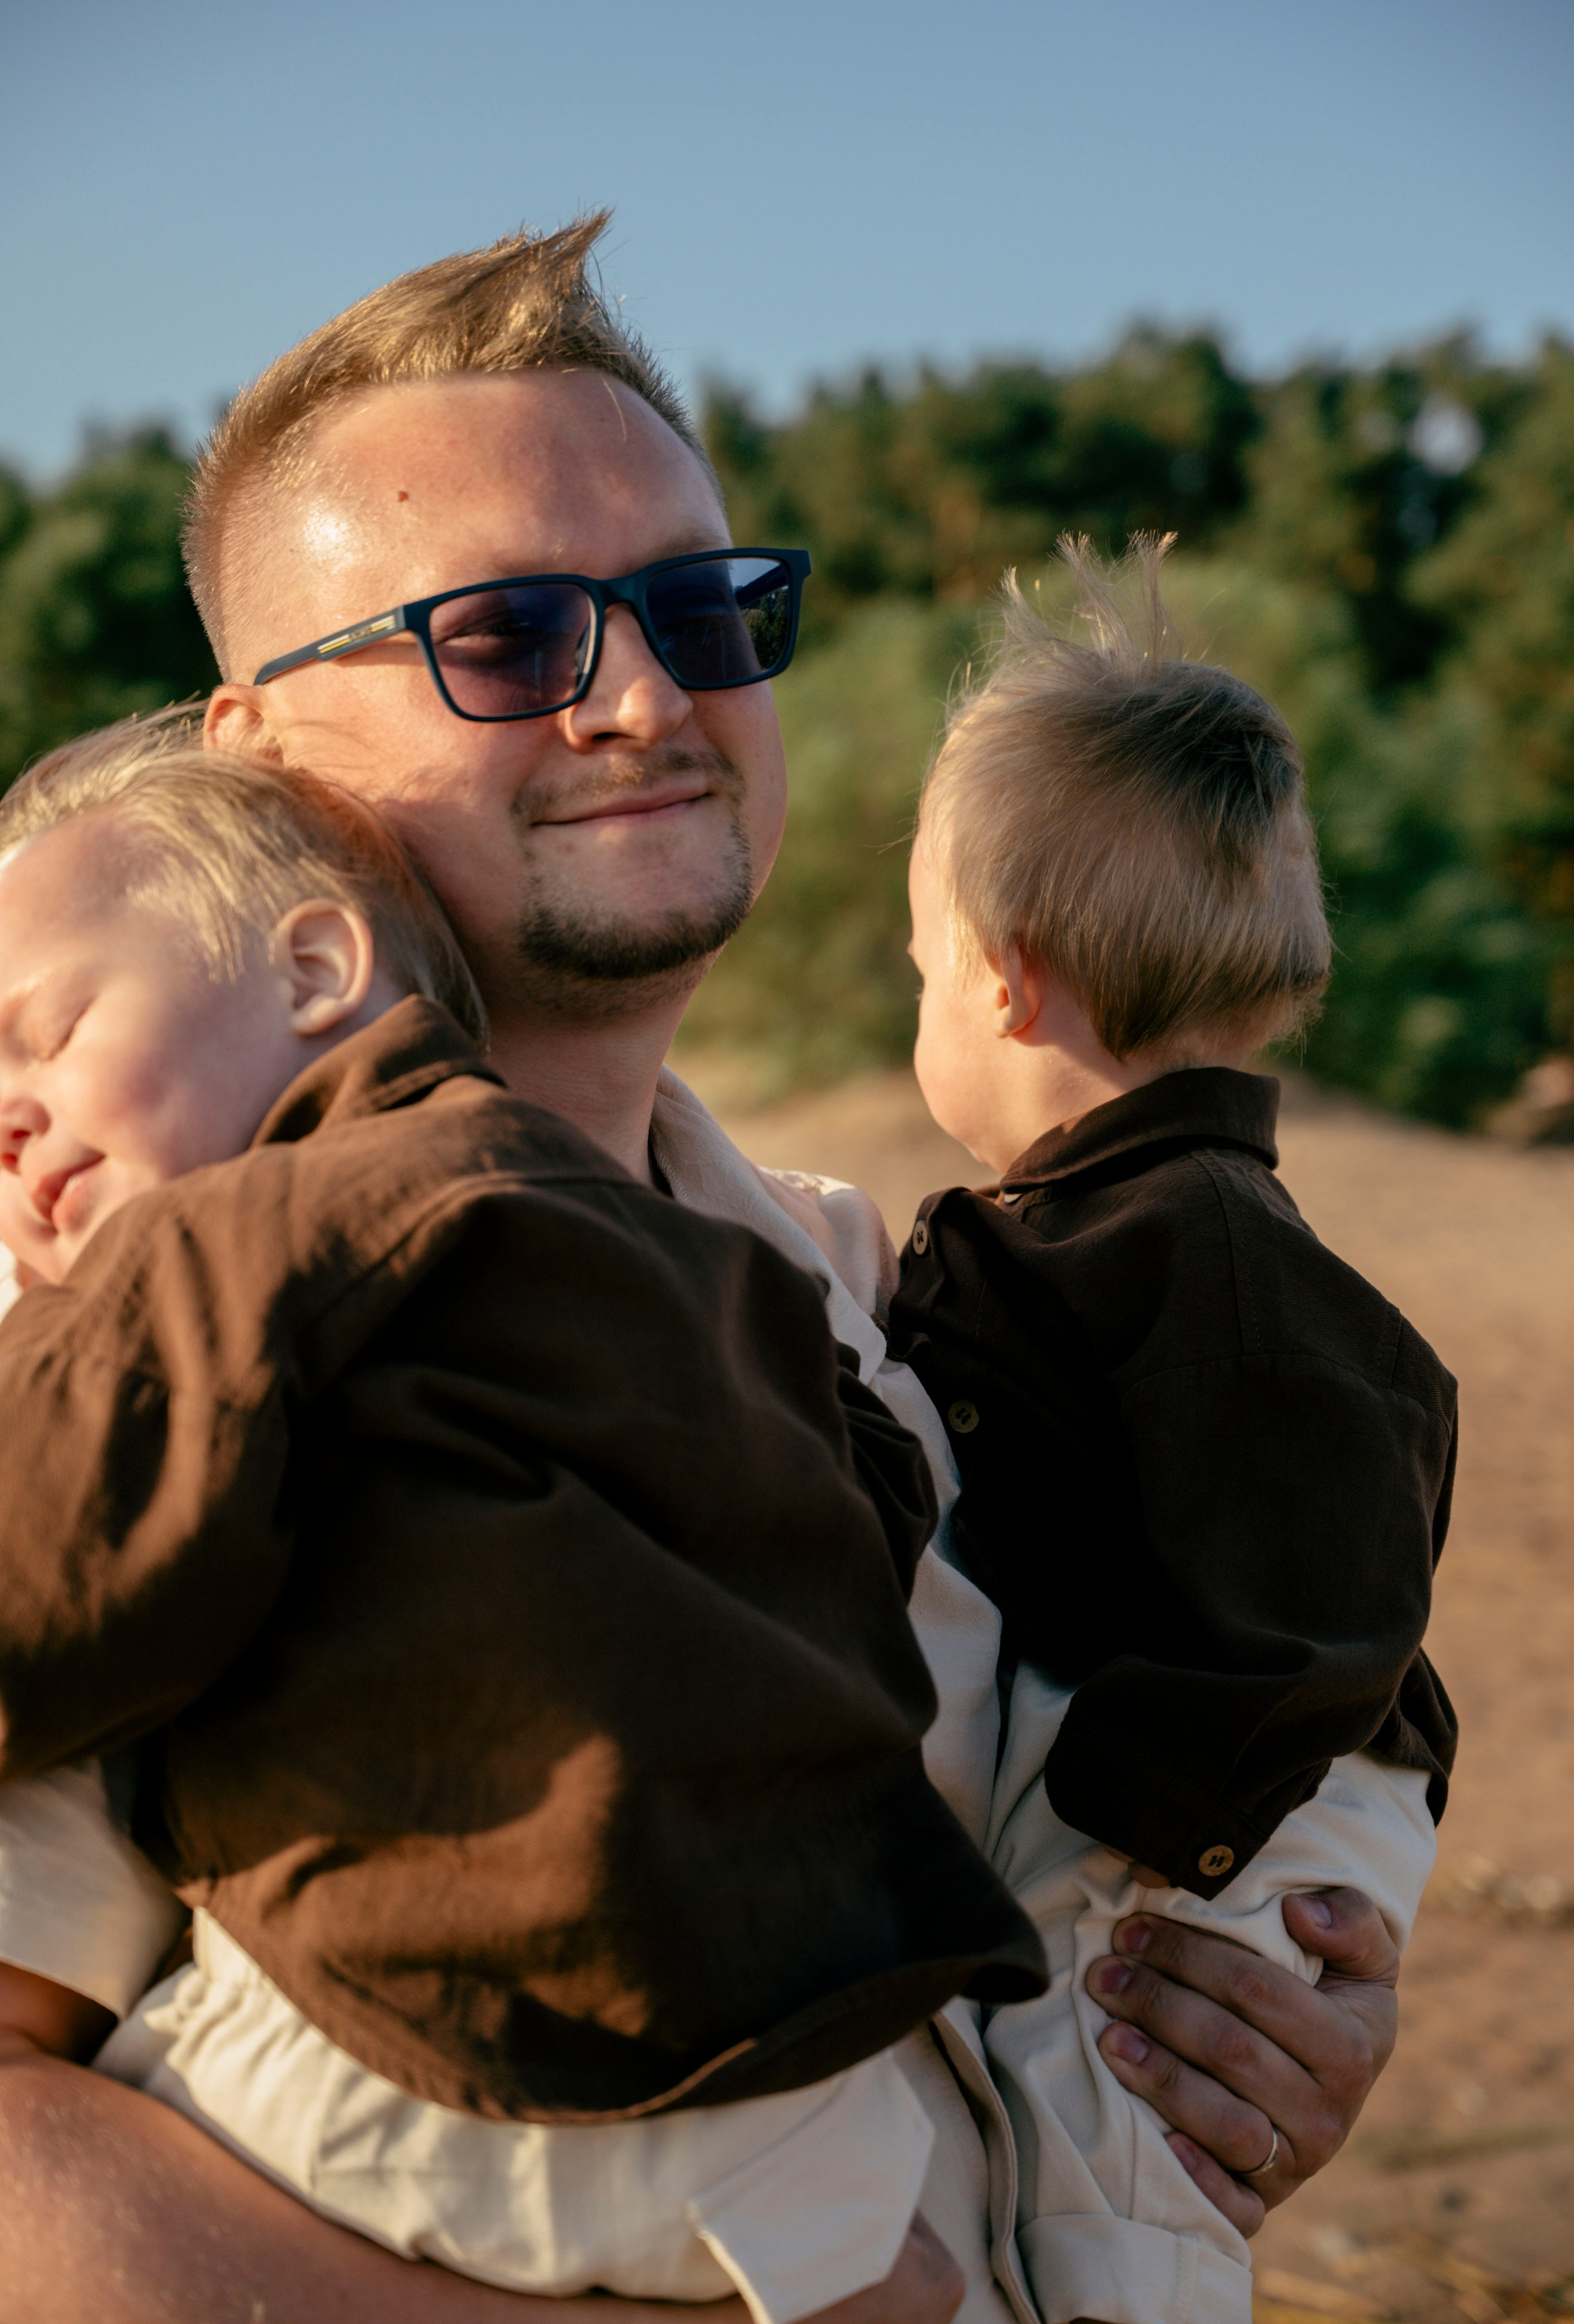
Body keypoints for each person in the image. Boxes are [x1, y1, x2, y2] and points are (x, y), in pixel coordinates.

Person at [0, 218, 1412, 2324]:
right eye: (504, 636)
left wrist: (1242, 2028)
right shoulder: (121, 1323)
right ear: (263, 753)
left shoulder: (883, 1299)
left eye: (698, 607)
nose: (647, 696)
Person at [0, 727, 1047, 2323]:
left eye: (47, 1036)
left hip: (467, 2064)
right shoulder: (735, 1273)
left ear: (317, 970)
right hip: (821, 2103)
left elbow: (47, 1567)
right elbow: (874, 1514)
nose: (7, 1118)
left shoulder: (224, 1247)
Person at [887, 543, 1458, 2324]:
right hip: (1190, 1780)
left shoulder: (1204, 1248)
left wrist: (1145, 1810)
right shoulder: (1101, 1230)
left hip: (1229, 1808)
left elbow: (1347, 1575)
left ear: (1002, 979)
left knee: (1121, 2171)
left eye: (916, 971)